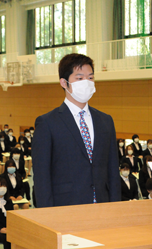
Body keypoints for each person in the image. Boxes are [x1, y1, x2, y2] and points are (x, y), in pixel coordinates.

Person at [32, 53, 120, 207]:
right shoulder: (47, 123)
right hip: (65, 207)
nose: (86, 83)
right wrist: (47, 216)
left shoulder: (106, 121)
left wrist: (116, 208)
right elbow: (42, 178)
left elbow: (113, 171)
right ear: (64, 83)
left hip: (102, 206)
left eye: (90, 78)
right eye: (79, 78)